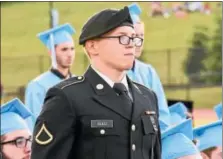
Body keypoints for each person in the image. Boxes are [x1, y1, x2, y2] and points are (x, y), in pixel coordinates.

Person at [31, 4, 161, 159]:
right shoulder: (68, 97)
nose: (132, 44)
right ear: (93, 46)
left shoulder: (147, 97)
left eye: (134, 38)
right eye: (122, 38)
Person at [25, 23, 76, 131]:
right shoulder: (37, 86)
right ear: (51, 52)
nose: (70, 54)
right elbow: (33, 125)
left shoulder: (79, 83)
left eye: (72, 49)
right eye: (64, 49)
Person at [127, 14, 170, 125]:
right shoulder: (112, 72)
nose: (139, 42)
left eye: (141, 36)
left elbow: (162, 112)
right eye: (134, 36)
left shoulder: (148, 72)